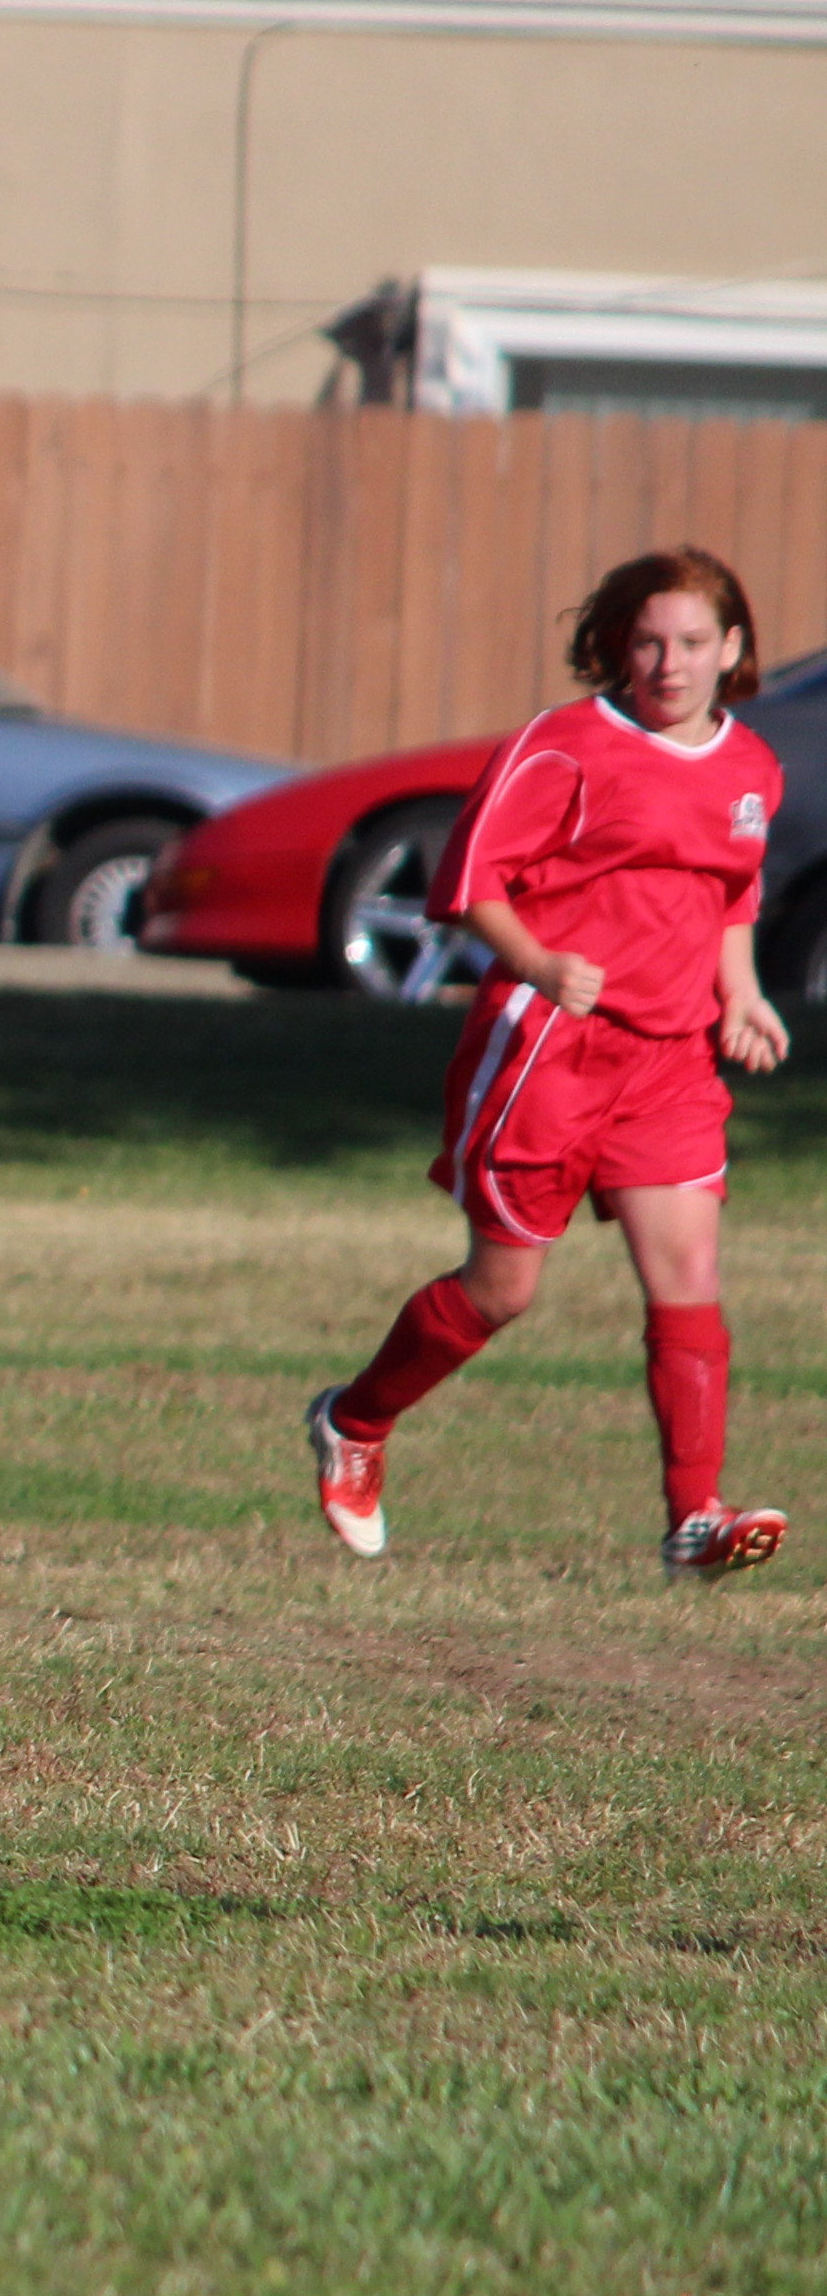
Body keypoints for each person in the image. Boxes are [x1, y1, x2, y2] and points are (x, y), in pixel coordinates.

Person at [309, 546, 791, 1581]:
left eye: (692, 643)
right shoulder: (564, 747)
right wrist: (538, 961)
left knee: (689, 1275)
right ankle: (355, 1422)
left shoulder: (752, 767)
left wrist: (742, 992)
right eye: (648, 642)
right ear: (617, 647)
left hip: (670, 1058)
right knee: (502, 1291)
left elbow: (730, 893)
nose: (669, 663)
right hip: (547, 1051)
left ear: (733, 649)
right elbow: (472, 879)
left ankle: (694, 1520)